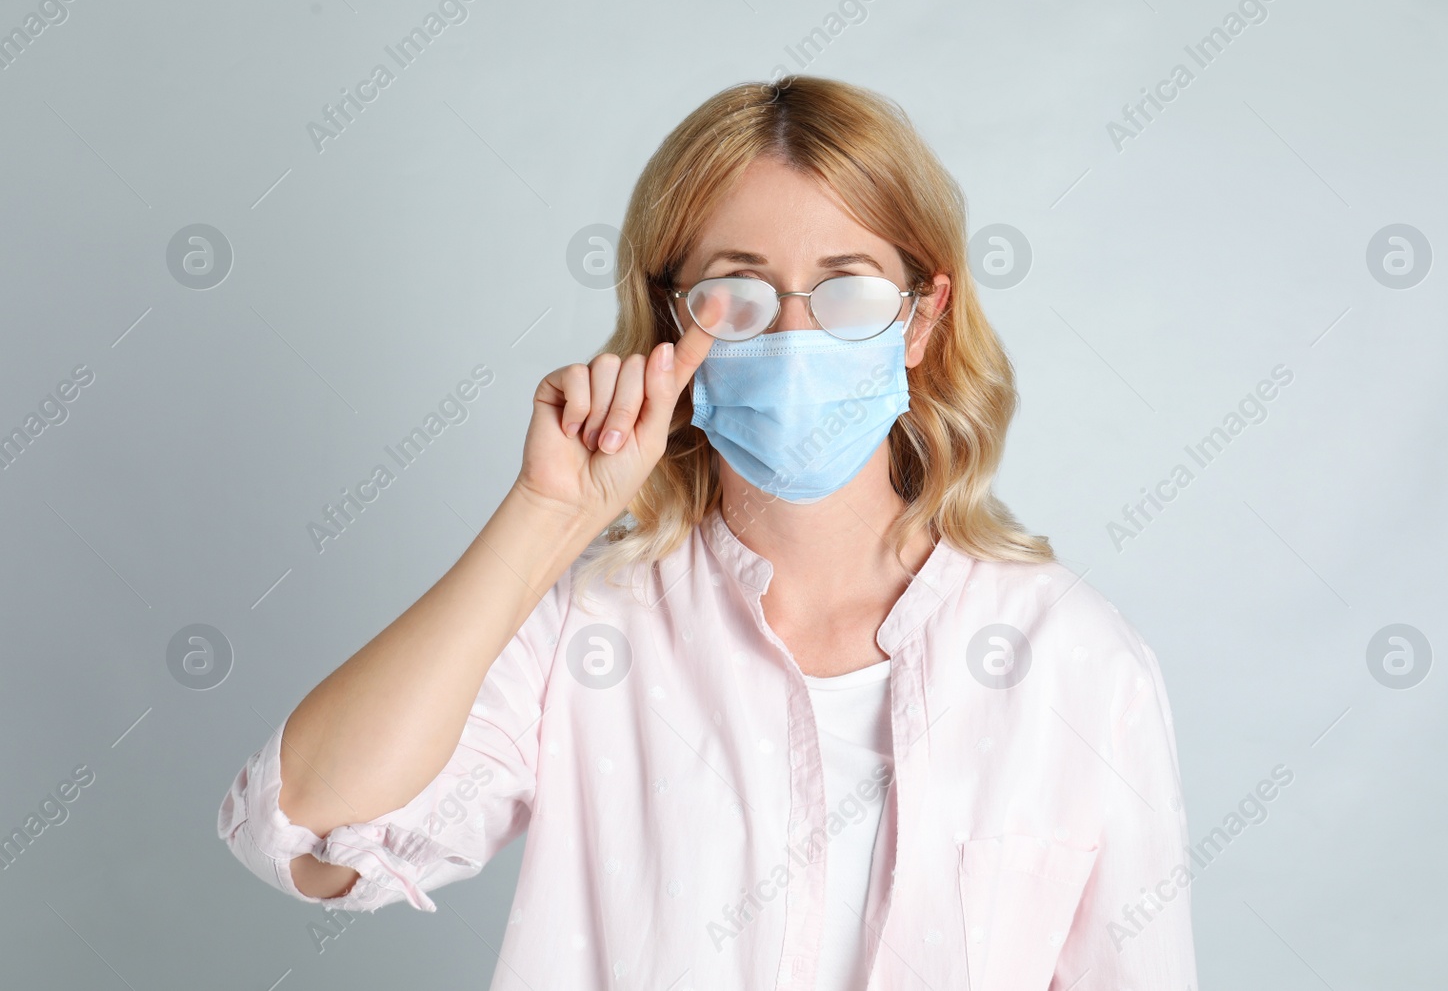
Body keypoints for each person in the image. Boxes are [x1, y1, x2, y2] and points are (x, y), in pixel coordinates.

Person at [217, 75, 1198, 990]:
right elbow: (308, 830)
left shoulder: (1074, 659)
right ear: (669, 320)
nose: (793, 335)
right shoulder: (586, 635)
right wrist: (546, 517)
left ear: (919, 318)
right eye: (739, 289)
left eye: (848, 284)